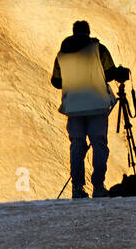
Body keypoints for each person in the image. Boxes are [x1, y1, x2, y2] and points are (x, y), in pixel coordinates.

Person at [51, 20, 119, 199]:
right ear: (88, 32)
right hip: (97, 105)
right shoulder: (98, 49)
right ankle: (98, 187)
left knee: (77, 146)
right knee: (99, 145)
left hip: (73, 107)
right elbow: (110, 73)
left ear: (73, 32)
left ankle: (77, 189)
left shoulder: (62, 54)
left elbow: (56, 82)